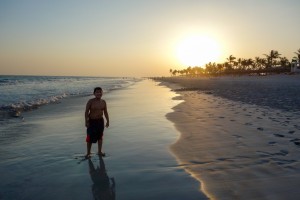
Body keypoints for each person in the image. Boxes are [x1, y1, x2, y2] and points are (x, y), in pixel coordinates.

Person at [85, 87, 109, 158]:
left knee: (100, 137)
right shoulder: (90, 101)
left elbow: (105, 112)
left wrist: (108, 121)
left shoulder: (103, 102)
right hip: (92, 121)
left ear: (102, 93)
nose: (99, 93)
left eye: (100, 92)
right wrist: (86, 121)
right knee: (89, 137)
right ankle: (88, 153)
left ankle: (99, 151)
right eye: (97, 92)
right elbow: (86, 112)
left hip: (100, 121)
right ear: (94, 93)